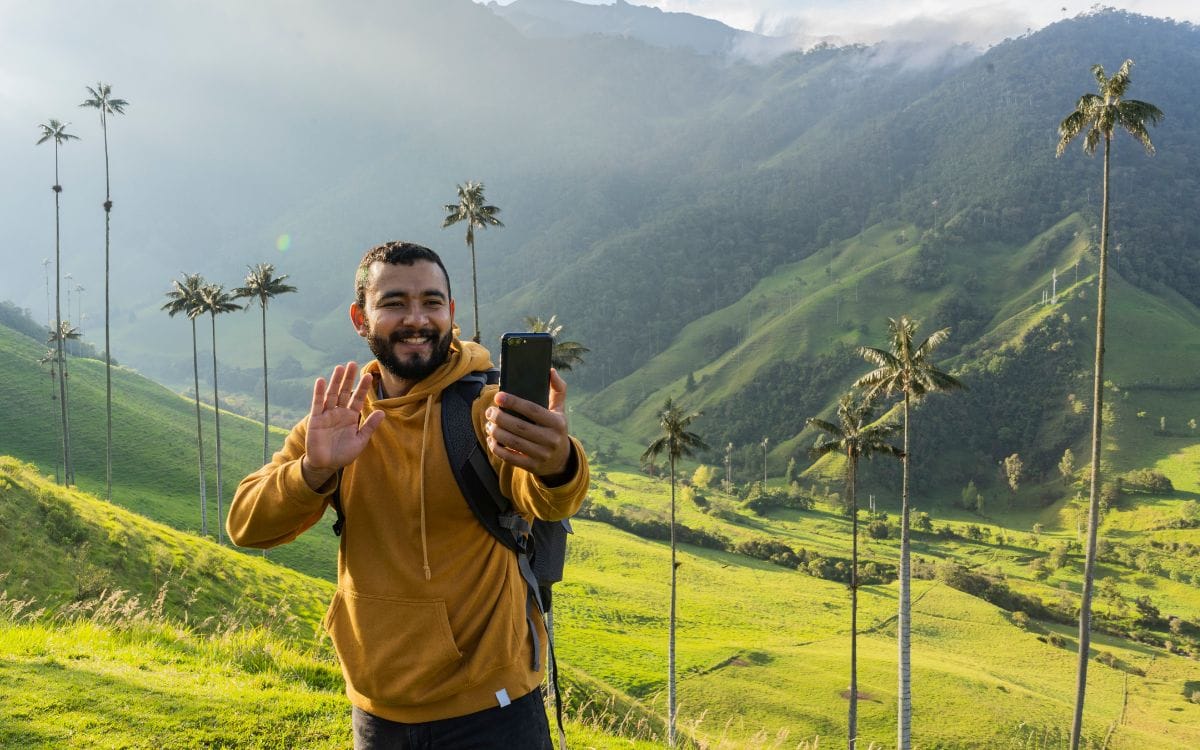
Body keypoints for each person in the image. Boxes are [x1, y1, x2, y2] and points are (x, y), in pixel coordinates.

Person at [228, 241, 589, 750]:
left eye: (432, 302)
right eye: (395, 303)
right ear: (361, 317)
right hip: (377, 714)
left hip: (493, 710)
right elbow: (247, 526)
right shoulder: (339, 419)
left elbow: (544, 498)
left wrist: (556, 462)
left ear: (451, 313)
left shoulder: (484, 408)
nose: (416, 319)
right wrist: (313, 470)